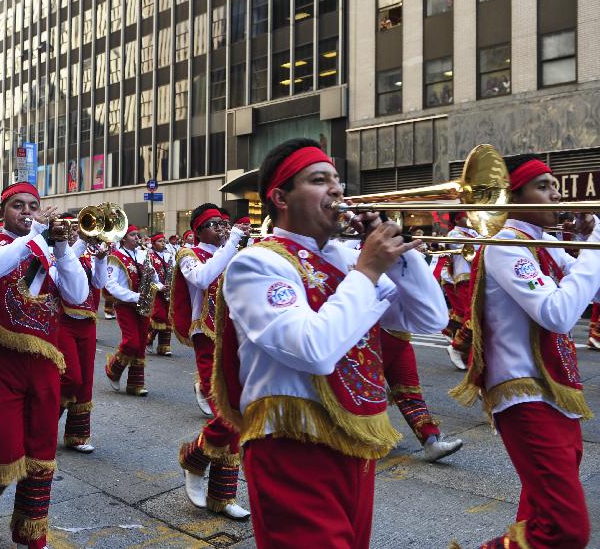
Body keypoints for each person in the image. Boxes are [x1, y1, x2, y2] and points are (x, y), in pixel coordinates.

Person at [212, 138, 447, 547]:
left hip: (354, 441)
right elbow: (313, 350)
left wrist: (401, 251)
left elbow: (431, 317)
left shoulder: (345, 258)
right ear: (280, 197)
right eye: (319, 180)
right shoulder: (257, 262)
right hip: (292, 448)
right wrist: (369, 270)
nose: (336, 190)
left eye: (337, 180)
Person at [449, 155, 600, 548]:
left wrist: (591, 240)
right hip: (525, 395)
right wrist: (597, 247)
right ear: (513, 195)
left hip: (555, 391)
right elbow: (557, 314)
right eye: (543, 187)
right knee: (566, 528)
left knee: (541, 516)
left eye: (555, 186)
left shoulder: (545, 244)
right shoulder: (507, 244)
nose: (556, 195)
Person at [0, 181, 86, 549]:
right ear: (2, 213)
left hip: (42, 354)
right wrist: (37, 239)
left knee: (41, 447)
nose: (27, 212)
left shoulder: (47, 245)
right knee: (2, 446)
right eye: (18, 206)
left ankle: (31, 530)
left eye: (33, 205)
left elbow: (78, 294)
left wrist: (60, 247)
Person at [172, 203, 251, 519]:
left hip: (236, 340)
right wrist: (232, 241)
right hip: (207, 340)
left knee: (239, 416)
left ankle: (222, 495)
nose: (221, 228)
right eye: (214, 224)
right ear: (198, 230)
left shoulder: (233, 252)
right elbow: (203, 279)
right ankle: (195, 457)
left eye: (223, 223)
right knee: (227, 415)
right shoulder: (188, 255)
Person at [57, 214, 109, 453]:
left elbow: (99, 283)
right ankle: (43, 420)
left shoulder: (85, 256)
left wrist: (101, 259)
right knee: (71, 377)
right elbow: (61, 272)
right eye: (72, 229)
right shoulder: (54, 252)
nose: (76, 233)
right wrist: (81, 245)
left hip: (86, 321)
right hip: (62, 320)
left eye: (79, 229)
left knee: (85, 380)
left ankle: (77, 435)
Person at [380, 329, 463, 461]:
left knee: (410, 393)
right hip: (369, 338)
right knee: (364, 395)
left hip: (401, 338)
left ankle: (431, 443)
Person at [104, 225, 160, 396]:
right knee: (132, 341)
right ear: (123, 238)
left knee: (141, 343)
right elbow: (111, 285)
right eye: (133, 235)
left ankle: (135, 384)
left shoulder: (144, 255)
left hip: (143, 305)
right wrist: (134, 296)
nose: (137, 238)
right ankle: (113, 369)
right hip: (125, 304)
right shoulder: (115, 257)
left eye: (138, 235)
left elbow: (154, 277)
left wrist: (158, 286)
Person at [442, 212, 479, 370]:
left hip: (476, 277)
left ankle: (465, 350)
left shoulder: (476, 233)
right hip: (462, 278)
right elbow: (473, 251)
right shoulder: (454, 234)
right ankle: (457, 347)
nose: (472, 218)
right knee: (473, 314)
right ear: (458, 219)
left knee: (466, 315)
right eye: (467, 216)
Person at [146, 233, 173, 356]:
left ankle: (164, 346)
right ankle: (148, 338)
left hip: (168, 290)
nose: (163, 243)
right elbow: (149, 275)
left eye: (164, 241)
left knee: (168, 318)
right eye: (160, 241)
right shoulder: (149, 256)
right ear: (153, 244)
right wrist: (159, 286)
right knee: (158, 315)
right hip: (155, 291)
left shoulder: (169, 255)